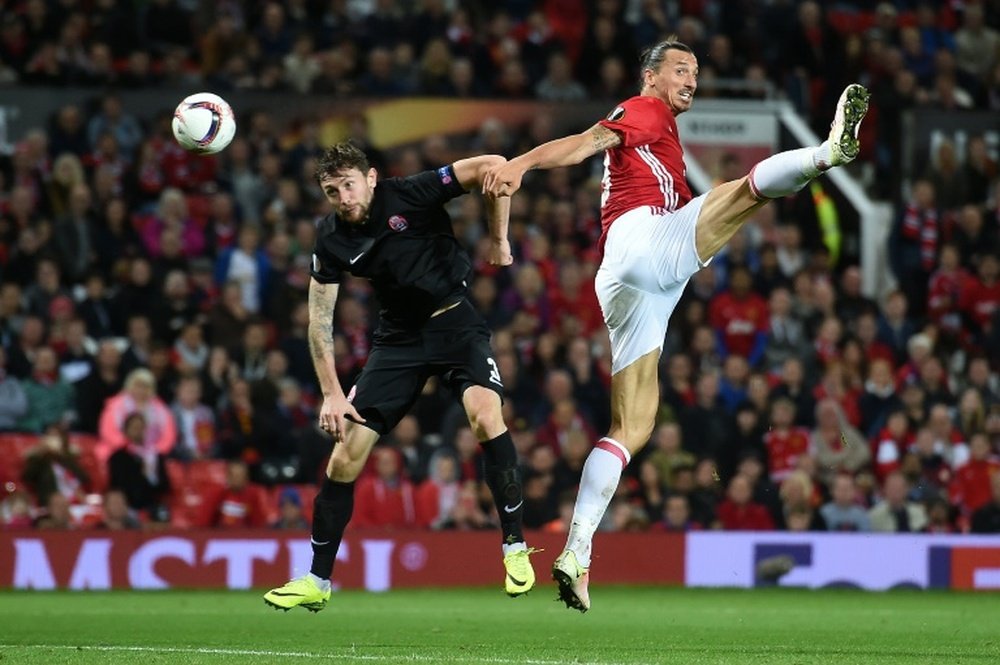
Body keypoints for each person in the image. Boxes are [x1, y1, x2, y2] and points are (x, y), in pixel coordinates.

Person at [484, 37, 870, 612]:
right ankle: (828, 154)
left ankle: (577, 551)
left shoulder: (659, 125)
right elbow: (589, 142)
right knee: (742, 194)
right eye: (680, 70)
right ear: (652, 76)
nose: (691, 79)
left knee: (633, 428)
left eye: (696, 71)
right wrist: (524, 162)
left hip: (630, 282)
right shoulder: (645, 108)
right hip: (646, 239)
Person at [264, 142, 535, 613]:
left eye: (348, 185)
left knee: (484, 414)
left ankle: (514, 547)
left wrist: (499, 238)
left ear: (370, 178)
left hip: (454, 323)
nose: (343, 197)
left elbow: (496, 166)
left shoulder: (412, 192)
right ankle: (317, 580)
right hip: (399, 341)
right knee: (345, 454)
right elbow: (318, 319)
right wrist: (331, 394)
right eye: (332, 191)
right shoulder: (330, 239)